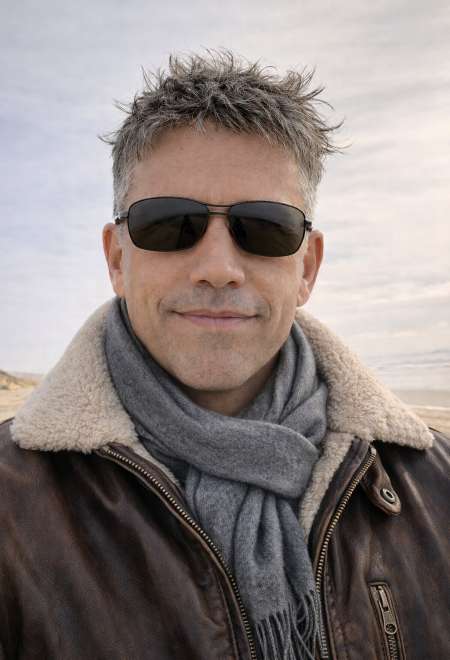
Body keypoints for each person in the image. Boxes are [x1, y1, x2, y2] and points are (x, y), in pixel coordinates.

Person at [0, 50, 448, 660]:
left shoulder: (435, 484)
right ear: (116, 259)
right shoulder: (12, 506)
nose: (217, 267)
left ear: (307, 267)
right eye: (170, 223)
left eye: (264, 227)